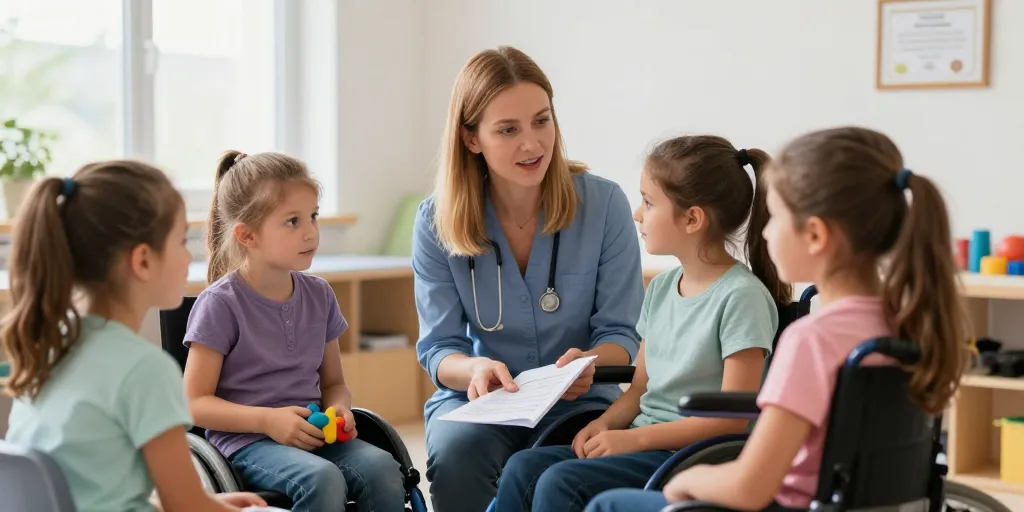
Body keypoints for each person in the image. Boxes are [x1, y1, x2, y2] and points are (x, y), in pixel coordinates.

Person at [585, 126, 972, 512]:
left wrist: (687, 480)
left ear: (816, 236)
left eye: (777, 218)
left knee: (609, 505)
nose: (765, 231)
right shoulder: (913, 324)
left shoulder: (812, 341)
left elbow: (749, 488)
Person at [493, 136, 790, 511]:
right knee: (522, 467)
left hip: (690, 456)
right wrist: (605, 424)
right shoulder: (663, 288)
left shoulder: (741, 298)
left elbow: (730, 422)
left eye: (649, 202)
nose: (637, 213)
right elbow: (639, 390)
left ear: (692, 218)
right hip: (644, 442)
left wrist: (632, 441)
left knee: (561, 483)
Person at [412, 45, 645, 511]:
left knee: (575, 463)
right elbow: (438, 348)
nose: (532, 143)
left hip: (581, 399)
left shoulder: (604, 206)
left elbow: (621, 335)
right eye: (508, 129)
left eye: (542, 120)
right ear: (471, 138)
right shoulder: (436, 221)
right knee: (458, 451)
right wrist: (475, 369)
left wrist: (588, 363)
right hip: (482, 402)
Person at [3, 162, 270, 511]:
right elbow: (187, 507)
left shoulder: (51, 348)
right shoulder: (145, 369)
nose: (189, 256)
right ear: (143, 261)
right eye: (181, 241)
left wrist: (207, 502)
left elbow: (91, 491)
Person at [181, 151, 406, 512]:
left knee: (382, 468)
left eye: (313, 216)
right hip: (248, 443)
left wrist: (339, 410)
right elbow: (194, 403)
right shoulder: (220, 304)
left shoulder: (319, 295)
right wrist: (268, 420)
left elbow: (333, 383)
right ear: (247, 235)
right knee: (321, 479)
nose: (310, 232)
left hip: (316, 435)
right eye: (292, 221)